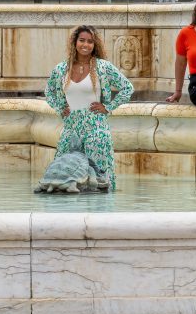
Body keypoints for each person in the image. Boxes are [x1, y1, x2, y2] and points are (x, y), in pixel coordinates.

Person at [43, 25, 134, 190]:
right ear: (75, 43)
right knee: (62, 174)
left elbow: (127, 87)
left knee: (98, 178)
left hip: (95, 126)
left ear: (95, 45)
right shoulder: (61, 69)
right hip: (71, 126)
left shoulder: (103, 67)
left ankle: (100, 212)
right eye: (82, 40)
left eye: (90, 42)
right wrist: (60, 107)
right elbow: (48, 92)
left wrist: (108, 107)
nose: (85, 45)